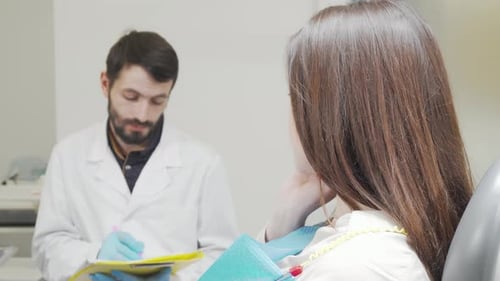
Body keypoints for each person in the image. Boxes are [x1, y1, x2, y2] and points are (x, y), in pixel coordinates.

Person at [206, 1, 472, 280]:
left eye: (295, 101)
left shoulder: (358, 264)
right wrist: (279, 226)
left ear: (330, 119)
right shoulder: (363, 242)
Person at [32, 30, 238, 281]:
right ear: (105, 84)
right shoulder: (68, 155)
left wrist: (175, 280)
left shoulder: (202, 162)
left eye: (157, 101)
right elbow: (46, 248)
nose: (142, 115)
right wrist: (95, 254)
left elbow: (222, 252)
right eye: (131, 97)